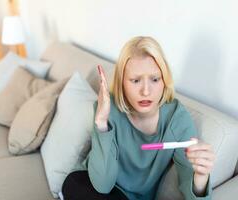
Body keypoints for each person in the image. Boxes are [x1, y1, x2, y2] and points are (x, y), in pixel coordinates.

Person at [62, 36, 215, 200]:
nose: (146, 91)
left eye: (155, 79)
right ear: (122, 83)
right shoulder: (108, 109)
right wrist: (101, 123)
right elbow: (102, 185)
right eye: (135, 80)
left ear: (165, 80)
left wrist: (200, 177)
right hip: (88, 183)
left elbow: (194, 193)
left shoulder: (177, 120)